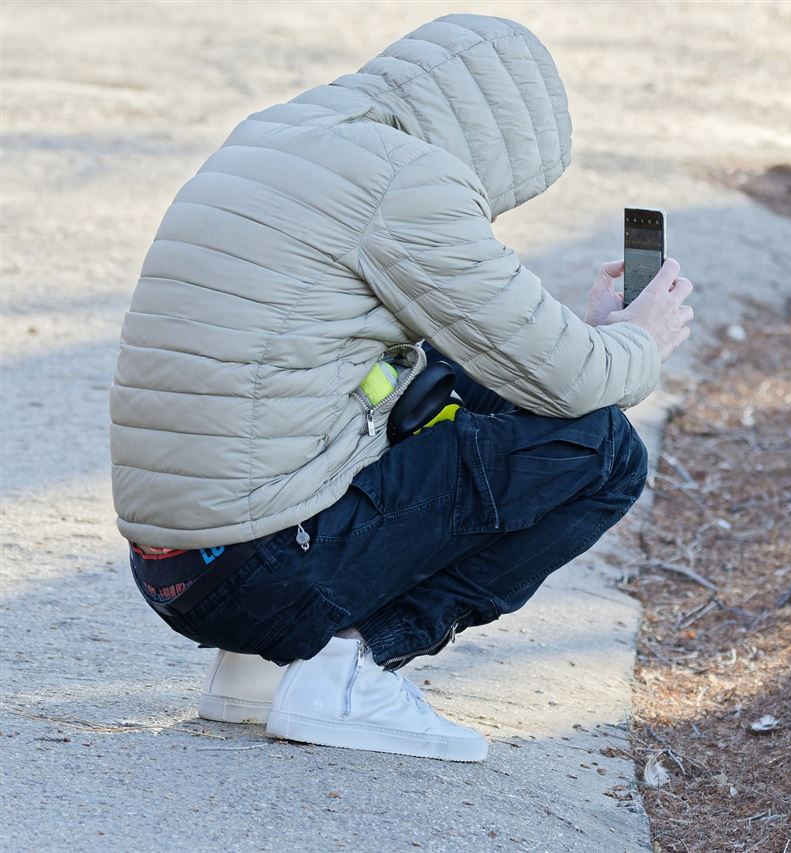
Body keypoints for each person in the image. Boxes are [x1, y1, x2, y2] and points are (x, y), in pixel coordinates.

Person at [110, 14, 693, 763]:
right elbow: (579, 380)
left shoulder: (279, 133)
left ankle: (257, 669)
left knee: (457, 381)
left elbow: (507, 357)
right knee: (600, 450)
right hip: (266, 571)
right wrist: (640, 337)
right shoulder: (405, 179)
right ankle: (348, 666)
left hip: (176, 569)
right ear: (506, 142)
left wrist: (589, 333)